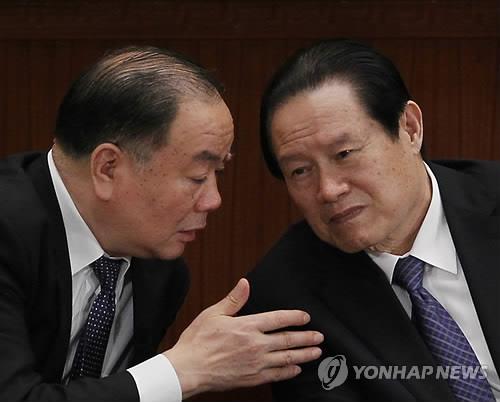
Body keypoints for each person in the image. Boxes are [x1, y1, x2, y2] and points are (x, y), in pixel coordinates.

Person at [0, 46, 325, 402]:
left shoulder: (158, 273)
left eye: (217, 172)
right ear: (107, 168)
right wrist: (183, 371)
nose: (214, 200)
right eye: (198, 176)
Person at [243, 39, 500, 401]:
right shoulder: (288, 298)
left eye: (344, 153)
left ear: (409, 128)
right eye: (300, 171)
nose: (328, 190)